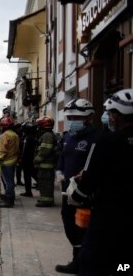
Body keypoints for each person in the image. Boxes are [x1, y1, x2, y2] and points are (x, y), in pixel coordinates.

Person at [69, 89, 133, 275]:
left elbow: (91, 176)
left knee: (92, 260)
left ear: (116, 115)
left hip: (110, 214)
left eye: (111, 113)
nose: (110, 118)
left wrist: (77, 195)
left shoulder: (106, 141)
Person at [54, 99, 99, 274]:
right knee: (69, 223)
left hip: (85, 192)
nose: (72, 120)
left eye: (77, 117)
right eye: (70, 117)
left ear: (89, 118)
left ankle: (84, 261)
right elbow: (63, 157)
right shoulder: (67, 137)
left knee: (84, 226)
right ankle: (77, 258)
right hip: (68, 190)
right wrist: (59, 171)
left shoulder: (97, 138)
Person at [0, 117, 20, 208]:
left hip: (6, 162)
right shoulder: (15, 134)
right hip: (13, 160)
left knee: (8, 182)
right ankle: (8, 197)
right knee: (10, 181)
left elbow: (2, 149)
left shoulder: (5, 135)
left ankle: (9, 200)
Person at [33, 116, 57, 207]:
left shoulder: (47, 135)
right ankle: (44, 199)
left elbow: (44, 151)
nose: (38, 127)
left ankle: (47, 201)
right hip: (45, 165)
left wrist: (36, 160)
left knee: (46, 183)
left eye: (39, 125)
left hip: (46, 165)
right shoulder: (47, 134)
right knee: (43, 183)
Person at [19, 121, 38, 197]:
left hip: (28, 160)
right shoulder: (30, 137)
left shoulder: (29, 138)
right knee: (31, 175)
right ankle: (29, 191)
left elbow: (25, 150)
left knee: (28, 176)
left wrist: (22, 158)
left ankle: (28, 192)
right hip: (29, 160)